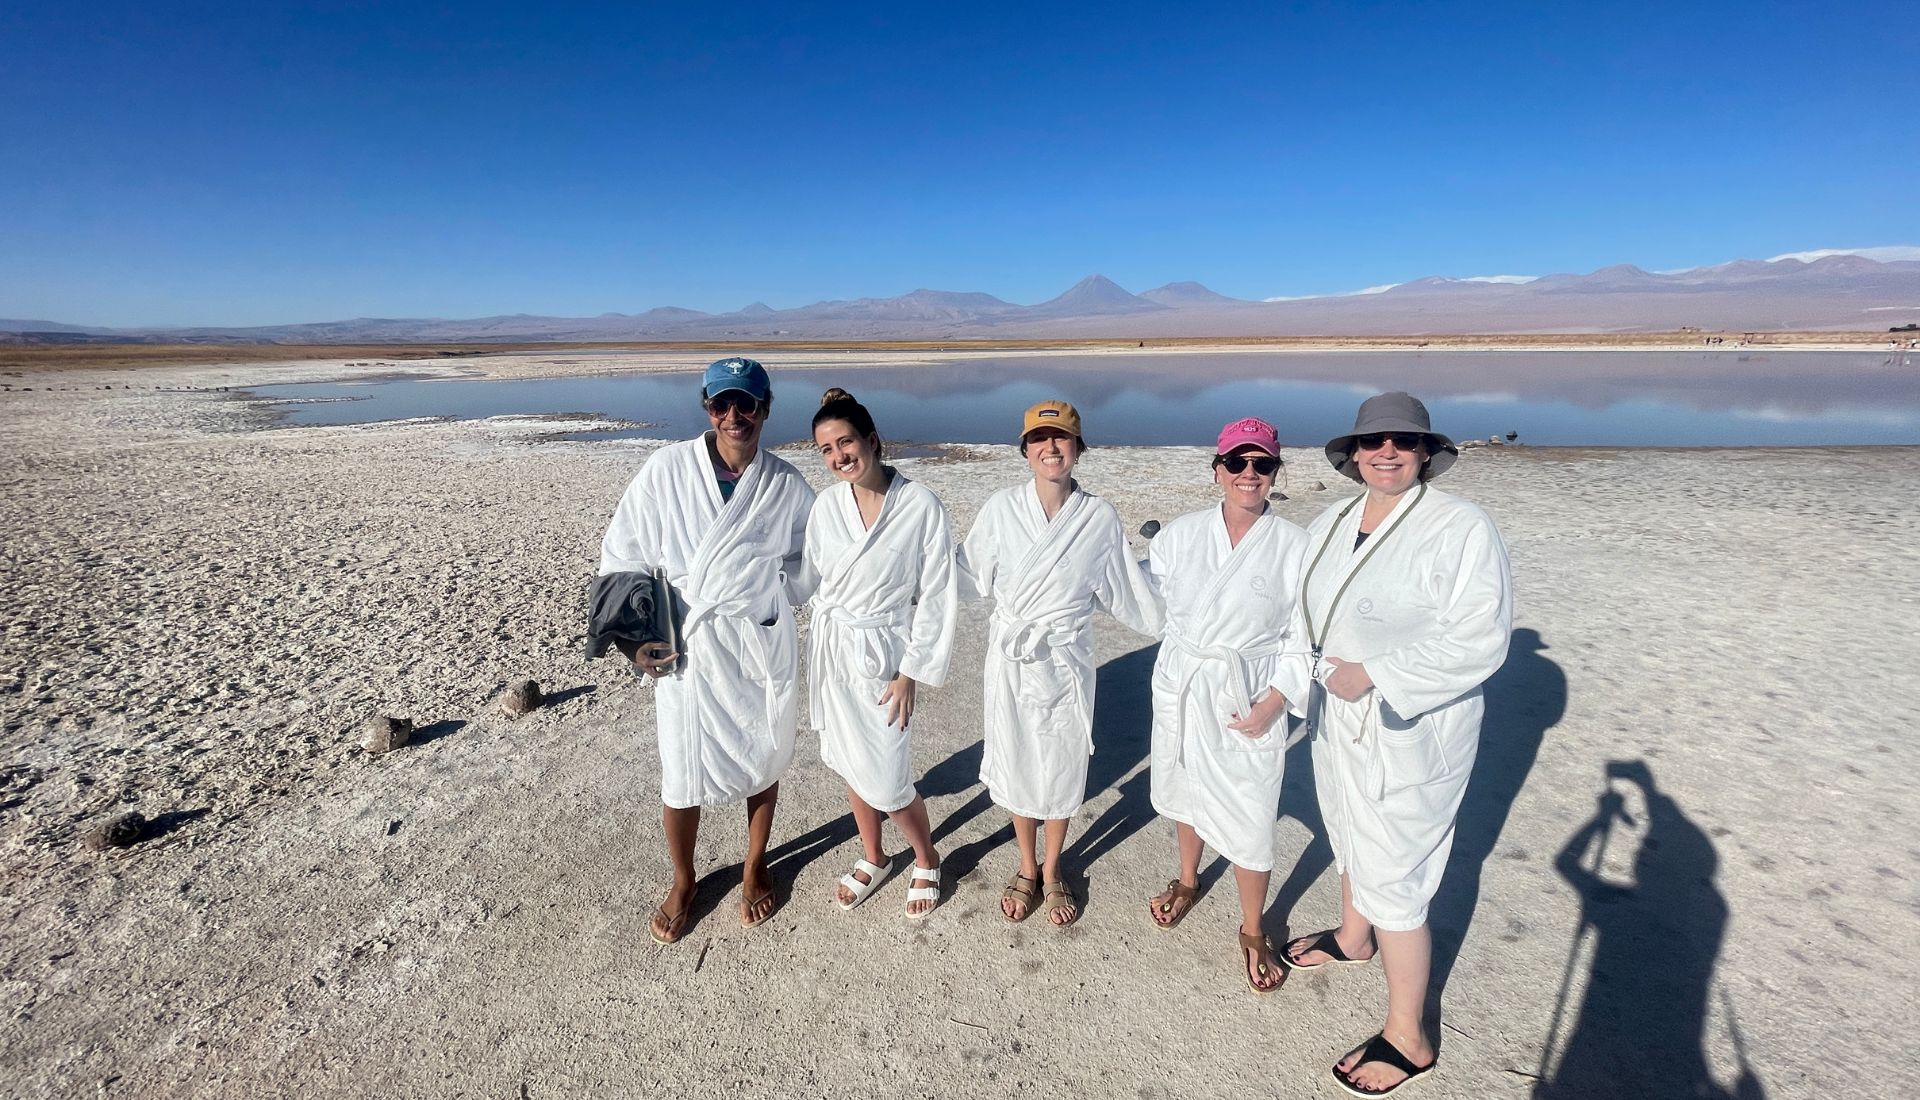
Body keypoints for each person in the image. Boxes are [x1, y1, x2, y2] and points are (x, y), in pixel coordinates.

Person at [1282, 392, 1513, 1096]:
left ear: (1425, 453)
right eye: (1374, 440)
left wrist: (1378, 672)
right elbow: (1301, 618)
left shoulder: (1461, 526)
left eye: (1403, 442)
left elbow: (1482, 638)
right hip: (1338, 715)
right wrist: (1283, 694)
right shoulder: (1329, 520)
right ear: (1353, 453)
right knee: (1349, 831)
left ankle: (1409, 1036)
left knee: (1398, 869)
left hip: (1411, 728)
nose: (1388, 451)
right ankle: (1355, 938)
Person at [597, 356, 813, 945]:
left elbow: (807, 566)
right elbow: (624, 552)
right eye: (722, 403)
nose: (735, 415)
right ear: (707, 408)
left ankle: (752, 864)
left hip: (755, 641)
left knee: (764, 751)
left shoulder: (788, 485)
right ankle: (685, 877)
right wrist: (636, 639)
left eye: (747, 403)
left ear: (765, 408)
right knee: (681, 769)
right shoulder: (665, 470)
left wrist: (766, 598)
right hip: (688, 648)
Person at [957, 400, 1162, 927]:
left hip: (1066, 661)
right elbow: (967, 573)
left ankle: (1053, 870)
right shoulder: (1001, 508)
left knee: (1064, 762)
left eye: (1062, 438)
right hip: (1013, 660)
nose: (1051, 447)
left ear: (1078, 448)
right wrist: (909, 578)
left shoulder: (1098, 517)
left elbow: (1127, 589)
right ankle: (1026, 865)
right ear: (1025, 449)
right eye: (1040, 439)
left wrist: (1186, 605)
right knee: (1017, 757)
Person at [1143, 417, 1313, 993]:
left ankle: (1253, 926)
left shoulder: (1296, 547)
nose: (1248, 474)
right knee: (1186, 785)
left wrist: (1275, 703)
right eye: (1236, 463)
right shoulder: (1179, 536)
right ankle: (1188, 879)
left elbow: (1303, 636)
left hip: (1250, 693)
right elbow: (1146, 599)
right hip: (1187, 683)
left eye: (1261, 464)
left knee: (1251, 810)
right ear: (1216, 470)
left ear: (1274, 472)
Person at [803, 388, 958, 919]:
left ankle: (926, 857)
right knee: (851, 761)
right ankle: (874, 855)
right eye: (826, 449)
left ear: (872, 439)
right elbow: (810, 578)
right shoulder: (826, 506)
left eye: (845, 442)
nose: (838, 456)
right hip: (836, 650)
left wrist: (911, 669)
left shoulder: (920, 505)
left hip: (886, 652)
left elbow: (936, 593)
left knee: (890, 777)